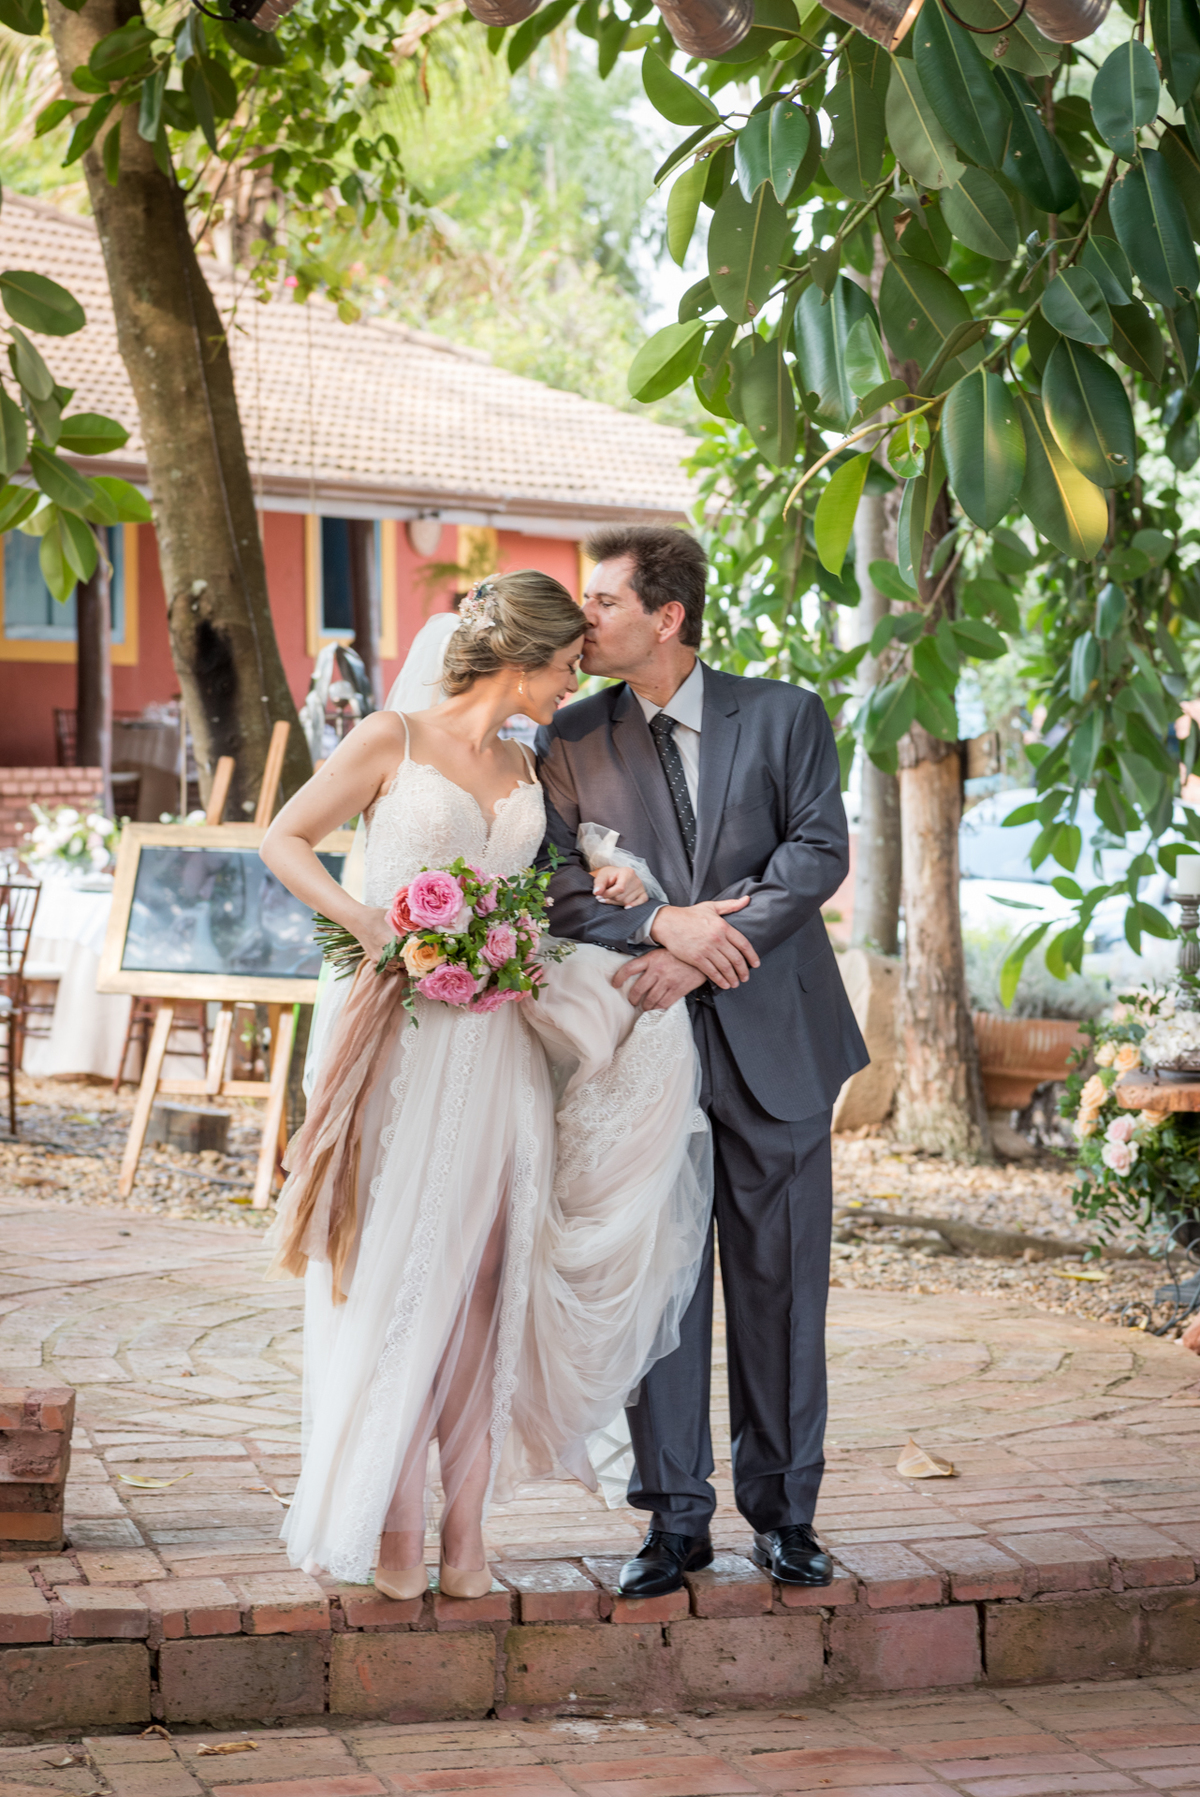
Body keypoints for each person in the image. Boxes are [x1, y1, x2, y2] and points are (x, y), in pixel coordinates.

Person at [260, 571, 713, 1599]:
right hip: (405, 1045)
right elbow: (283, 838)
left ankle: (465, 1532)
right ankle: (390, 1524)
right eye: (564, 666)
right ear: (520, 659)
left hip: (499, 1042)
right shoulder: (391, 738)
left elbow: (553, 885)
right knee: (404, 1263)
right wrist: (373, 924)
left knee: (488, 1279)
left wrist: (607, 875)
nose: (572, 683)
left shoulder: (531, 762)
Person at [537, 524, 869, 1597]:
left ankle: (785, 1516)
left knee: (780, 1289)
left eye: (601, 602)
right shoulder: (570, 736)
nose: (583, 620)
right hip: (644, 1059)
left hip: (780, 1042)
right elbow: (558, 889)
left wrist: (710, 954)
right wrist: (663, 931)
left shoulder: (785, 714)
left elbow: (817, 848)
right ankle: (673, 1522)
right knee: (661, 1287)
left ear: (664, 615)